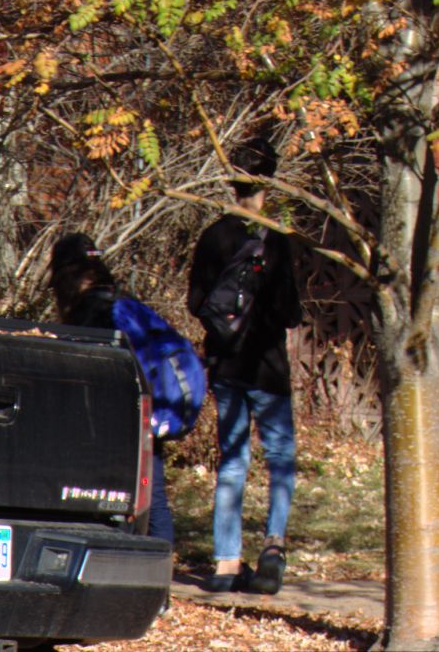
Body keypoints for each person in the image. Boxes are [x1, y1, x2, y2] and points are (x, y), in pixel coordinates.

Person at [188, 150, 303, 595]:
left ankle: (226, 562)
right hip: (268, 369)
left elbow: (197, 303)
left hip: (226, 365)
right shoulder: (275, 238)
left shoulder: (212, 237)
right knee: (280, 460)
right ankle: (272, 547)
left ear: (232, 182)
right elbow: (289, 312)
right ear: (269, 183)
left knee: (233, 461)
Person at [48, 233, 174, 545]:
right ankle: (160, 580)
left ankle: (145, 579)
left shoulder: (90, 314)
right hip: (148, 415)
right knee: (153, 501)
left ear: (67, 276)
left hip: (110, 427)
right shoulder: (126, 302)